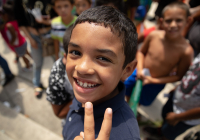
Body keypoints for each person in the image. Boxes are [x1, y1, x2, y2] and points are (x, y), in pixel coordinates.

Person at [62, 6, 140, 140]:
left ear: (127, 70)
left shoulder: (125, 136)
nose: (82, 68)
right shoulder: (87, 91)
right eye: (75, 52)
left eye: (103, 58)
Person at [125, 2, 194, 105]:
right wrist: (139, 69)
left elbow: (178, 76)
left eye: (178, 20)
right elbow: (141, 52)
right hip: (137, 73)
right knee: (124, 92)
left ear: (188, 21)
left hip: (155, 84)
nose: (173, 25)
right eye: (168, 21)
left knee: (139, 102)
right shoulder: (153, 35)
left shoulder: (186, 51)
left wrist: (153, 80)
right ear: (161, 21)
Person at [144, 53, 200, 140]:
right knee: (166, 120)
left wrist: (178, 117)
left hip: (185, 118)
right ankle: (160, 131)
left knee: (169, 134)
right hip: (175, 100)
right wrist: (178, 87)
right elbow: (193, 72)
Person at [46, 25, 74, 119]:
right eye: (77, 53)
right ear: (65, 56)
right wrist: (83, 98)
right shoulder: (57, 78)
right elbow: (59, 113)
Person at [0, 3, 31, 69]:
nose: (2, 17)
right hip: (22, 41)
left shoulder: (8, 25)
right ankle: (33, 58)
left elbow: (14, 36)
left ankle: (28, 67)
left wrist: (11, 43)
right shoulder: (14, 21)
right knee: (26, 51)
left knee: (23, 56)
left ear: (6, 15)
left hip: (18, 45)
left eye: (2, 15)